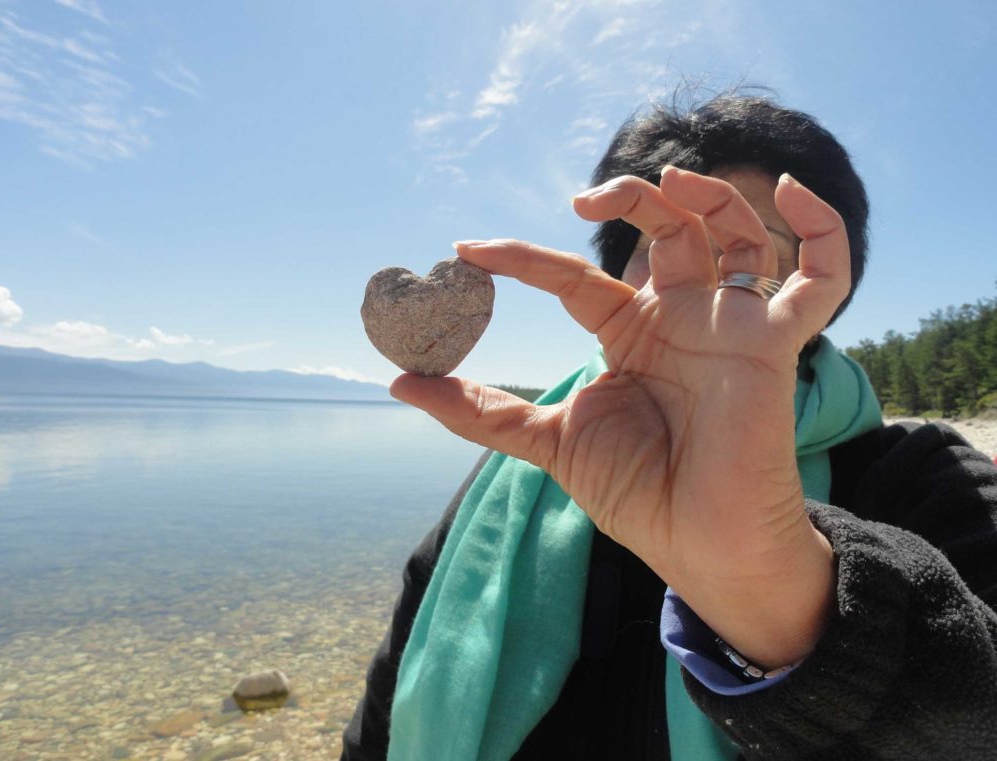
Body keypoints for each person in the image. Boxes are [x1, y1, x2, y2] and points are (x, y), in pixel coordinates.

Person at [341, 94, 997, 760]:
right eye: (661, 249)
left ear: (822, 301)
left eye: (751, 263)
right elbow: (382, 722)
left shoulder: (927, 478)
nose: (703, 288)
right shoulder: (515, 476)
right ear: (616, 275)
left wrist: (782, 598)